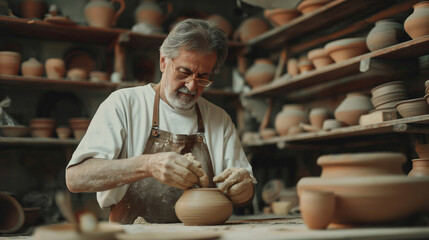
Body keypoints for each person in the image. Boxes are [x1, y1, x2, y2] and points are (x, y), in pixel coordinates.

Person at [65, 19, 255, 224]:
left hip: (202, 235)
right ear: (164, 62)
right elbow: (76, 178)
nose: (191, 87)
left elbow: (247, 193)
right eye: (185, 72)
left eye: (202, 78)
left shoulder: (219, 119)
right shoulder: (124, 104)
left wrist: (243, 189)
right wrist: (147, 165)